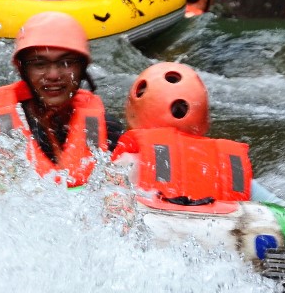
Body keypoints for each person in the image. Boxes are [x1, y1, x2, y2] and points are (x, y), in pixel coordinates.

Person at [0, 11, 122, 187]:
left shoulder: (108, 129)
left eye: (67, 63)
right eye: (40, 64)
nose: (54, 75)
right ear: (22, 70)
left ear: (83, 67)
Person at [108, 62, 258, 209]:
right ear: (203, 118)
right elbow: (278, 210)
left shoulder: (130, 162)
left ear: (134, 112)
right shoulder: (232, 165)